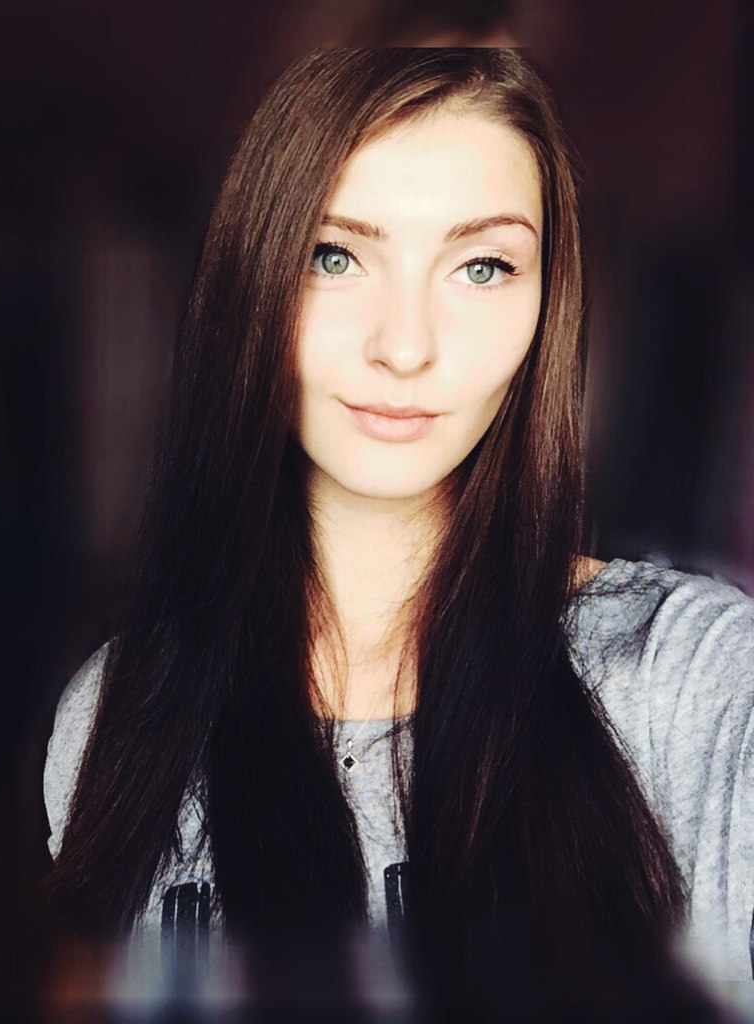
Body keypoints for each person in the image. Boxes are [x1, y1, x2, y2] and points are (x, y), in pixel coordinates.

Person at [43, 48, 753, 1018]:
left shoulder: (698, 682)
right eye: (334, 256)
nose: (405, 345)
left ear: (546, 305)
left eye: (481, 267)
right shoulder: (116, 715)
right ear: (253, 276)